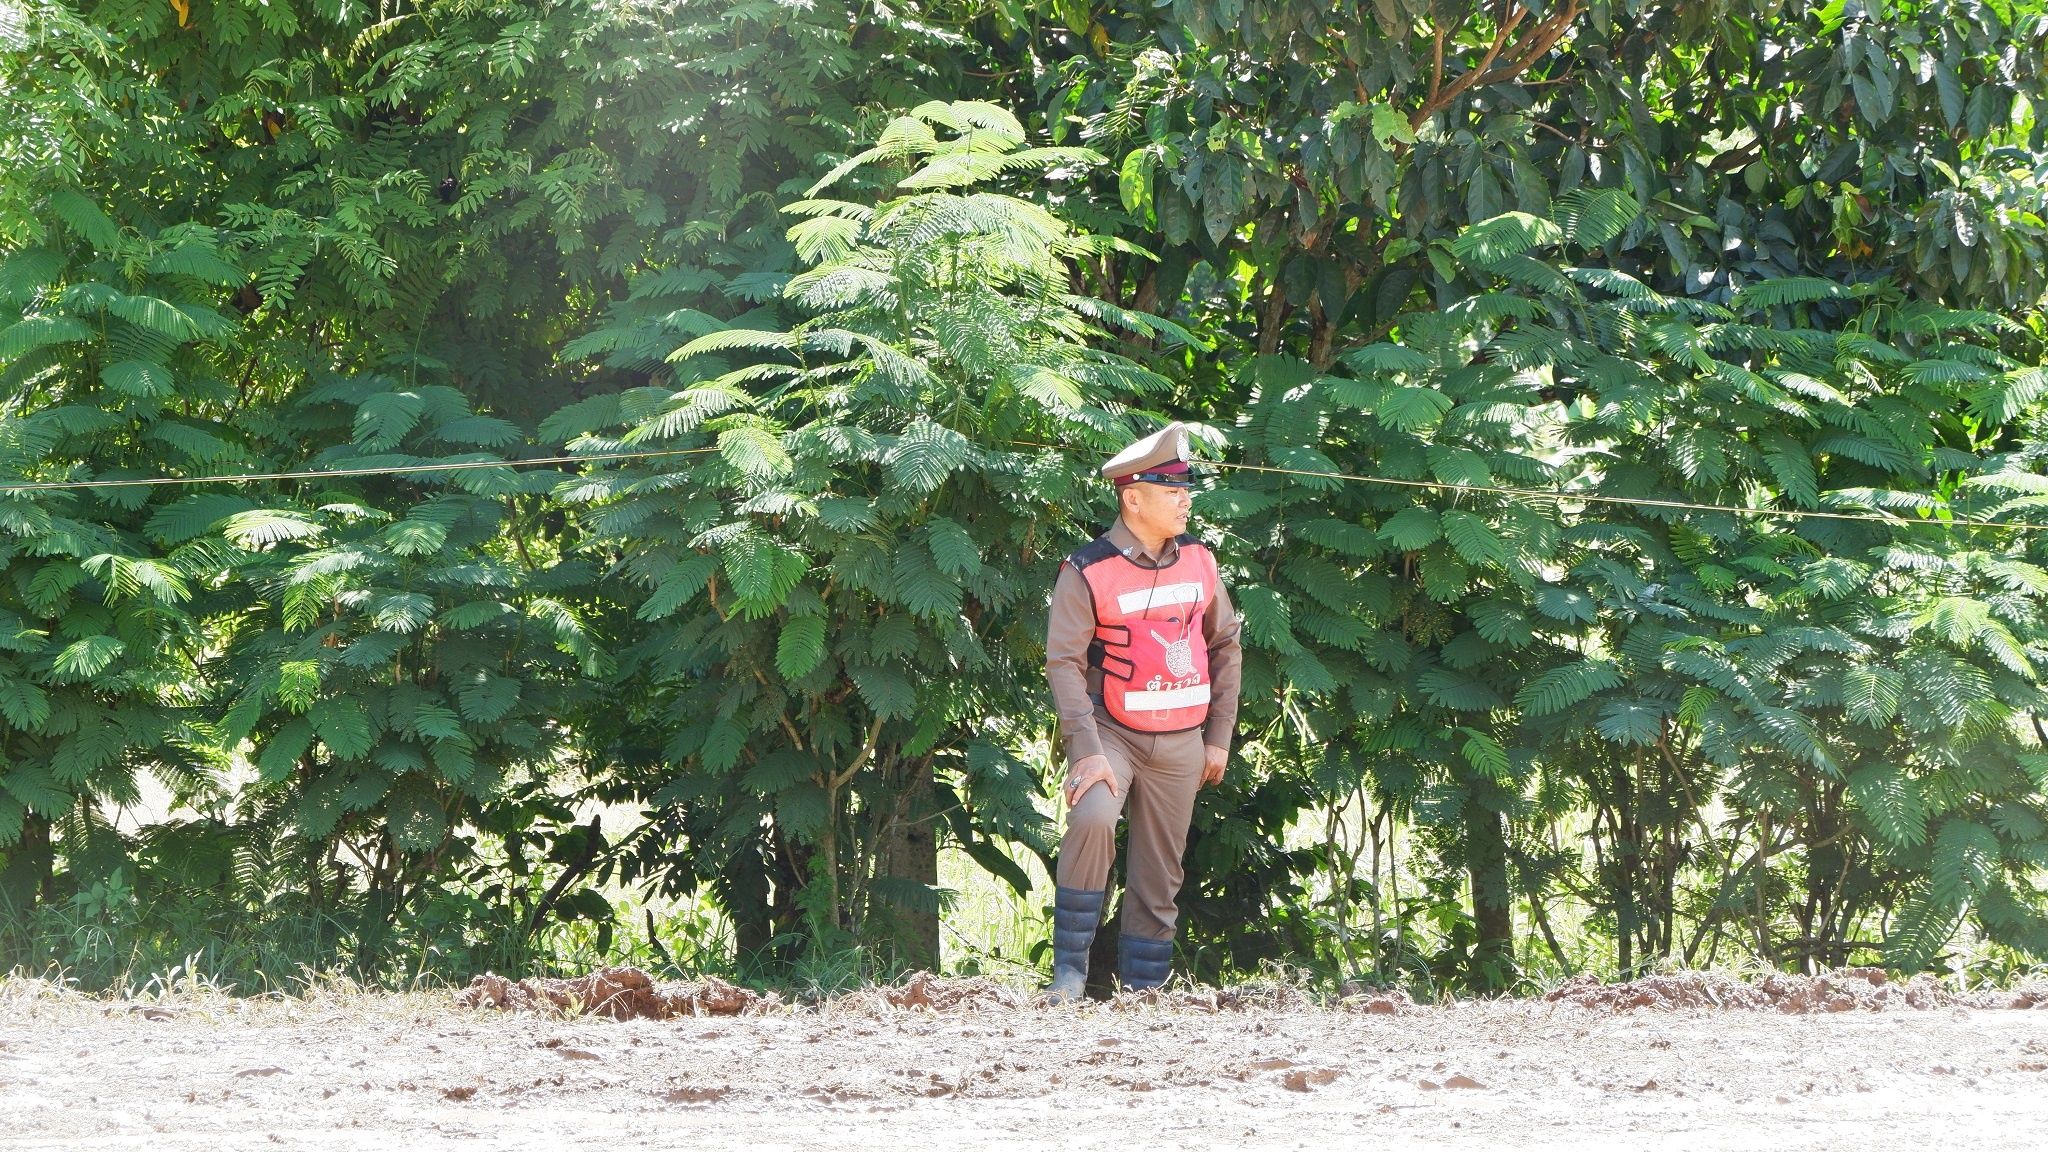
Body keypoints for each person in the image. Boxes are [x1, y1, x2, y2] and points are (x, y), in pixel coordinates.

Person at [1042, 422, 1243, 1001]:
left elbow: (1226, 644)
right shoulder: (1087, 569)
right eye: (1171, 490)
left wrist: (1219, 736)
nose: (1185, 500)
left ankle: (1145, 992)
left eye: (1186, 489)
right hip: (1110, 733)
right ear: (1132, 498)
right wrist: (1086, 752)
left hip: (1182, 739)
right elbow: (1063, 663)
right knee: (1093, 818)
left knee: (1161, 872)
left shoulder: (1200, 561)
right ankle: (1069, 974)